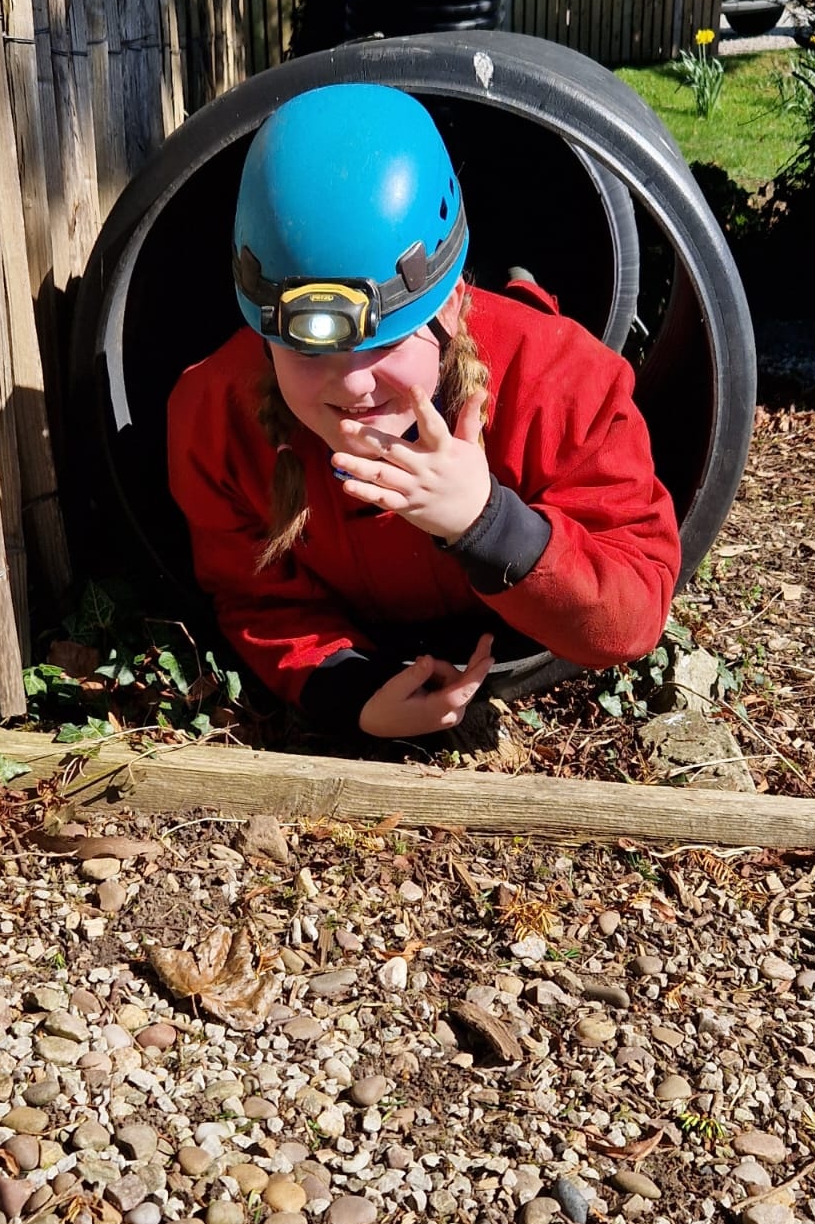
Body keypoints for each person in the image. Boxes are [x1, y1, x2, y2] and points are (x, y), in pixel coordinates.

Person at [167, 84, 680, 740]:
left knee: (523, 312)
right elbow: (255, 597)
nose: (354, 384)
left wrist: (487, 523)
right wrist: (347, 688)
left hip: (506, 355)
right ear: (263, 333)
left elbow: (632, 607)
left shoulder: (561, 382)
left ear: (452, 304)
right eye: (309, 348)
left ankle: (523, 280)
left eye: (386, 342)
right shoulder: (217, 416)